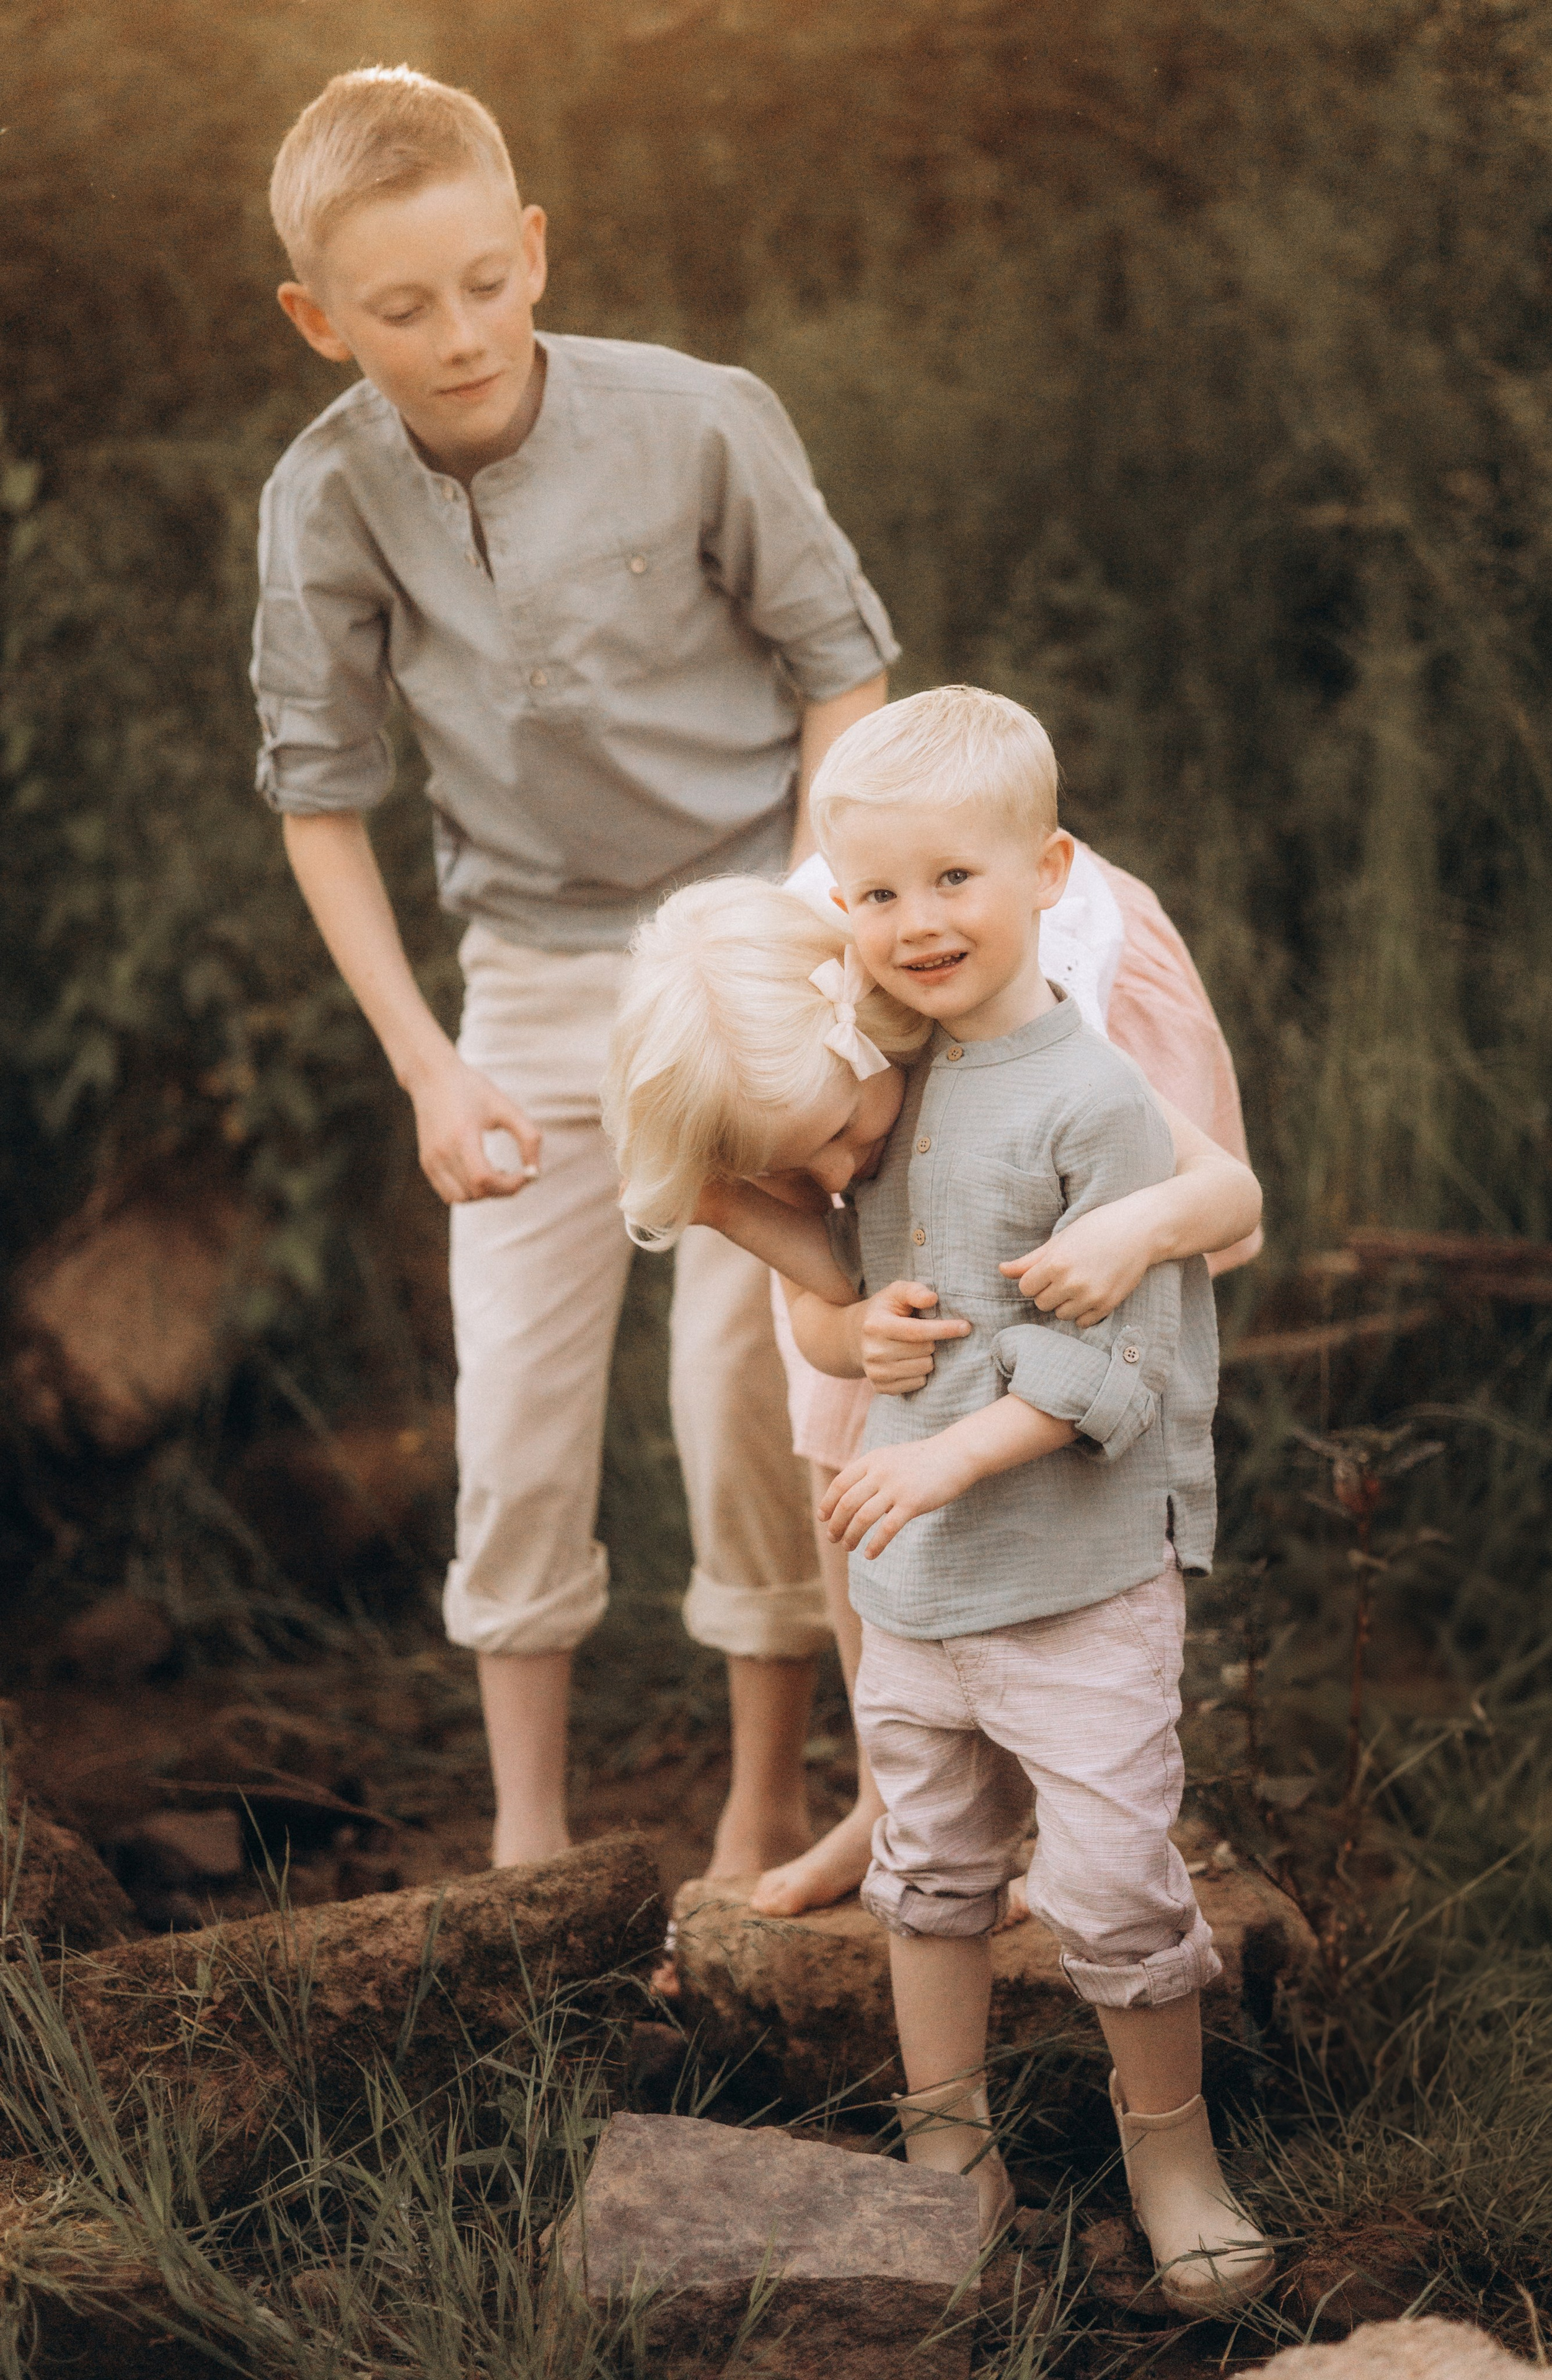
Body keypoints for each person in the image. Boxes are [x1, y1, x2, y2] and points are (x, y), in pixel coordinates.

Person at [252, 66, 895, 1871]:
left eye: (481, 280)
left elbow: (847, 673)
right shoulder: (323, 503)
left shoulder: (699, 422)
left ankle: (768, 1790)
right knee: (514, 1412)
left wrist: (802, 927)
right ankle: (529, 1848)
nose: (456, 332)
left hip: (746, 933)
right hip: (528, 976)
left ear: (532, 249)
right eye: (397, 308)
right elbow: (320, 801)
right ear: (320, 321)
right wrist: (427, 1066)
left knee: (745, 1386)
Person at [606, 687, 1272, 2307]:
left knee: (1113, 1875)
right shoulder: (829, 1083)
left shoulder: (1063, 1072)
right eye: (877, 896)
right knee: (929, 1868)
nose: (912, 924)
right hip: (925, 1578)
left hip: (1072, 1548)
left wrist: (1125, 1238)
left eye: (949, 887)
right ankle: (943, 2140)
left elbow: (1139, 1323)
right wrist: (836, 1302)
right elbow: (821, 1286)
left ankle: (1164, 2140)